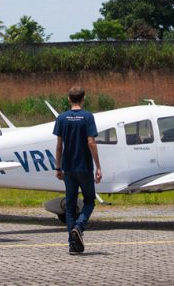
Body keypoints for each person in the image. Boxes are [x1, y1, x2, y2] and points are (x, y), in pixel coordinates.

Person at [53, 85, 102, 255]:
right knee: (89, 201)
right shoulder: (88, 117)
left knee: (70, 206)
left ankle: (72, 244)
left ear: (69, 99)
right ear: (83, 99)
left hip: (68, 168)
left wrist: (58, 167)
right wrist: (98, 166)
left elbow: (59, 146)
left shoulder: (61, 118)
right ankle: (79, 228)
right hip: (84, 168)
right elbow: (91, 142)